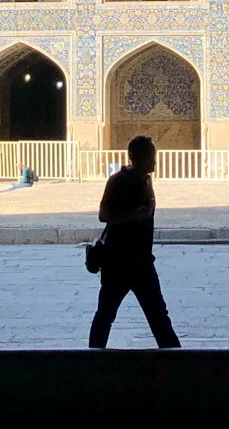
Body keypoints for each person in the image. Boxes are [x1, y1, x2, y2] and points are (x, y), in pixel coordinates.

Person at [87, 135, 181, 349]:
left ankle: (177, 359)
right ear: (136, 157)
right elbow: (104, 215)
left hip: (141, 262)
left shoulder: (146, 179)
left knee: (158, 316)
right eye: (150, 155)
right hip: (118, 263)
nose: (154, 160)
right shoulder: (118, 180)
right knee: (106, 315)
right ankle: (90, 358)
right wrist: (133, 216)